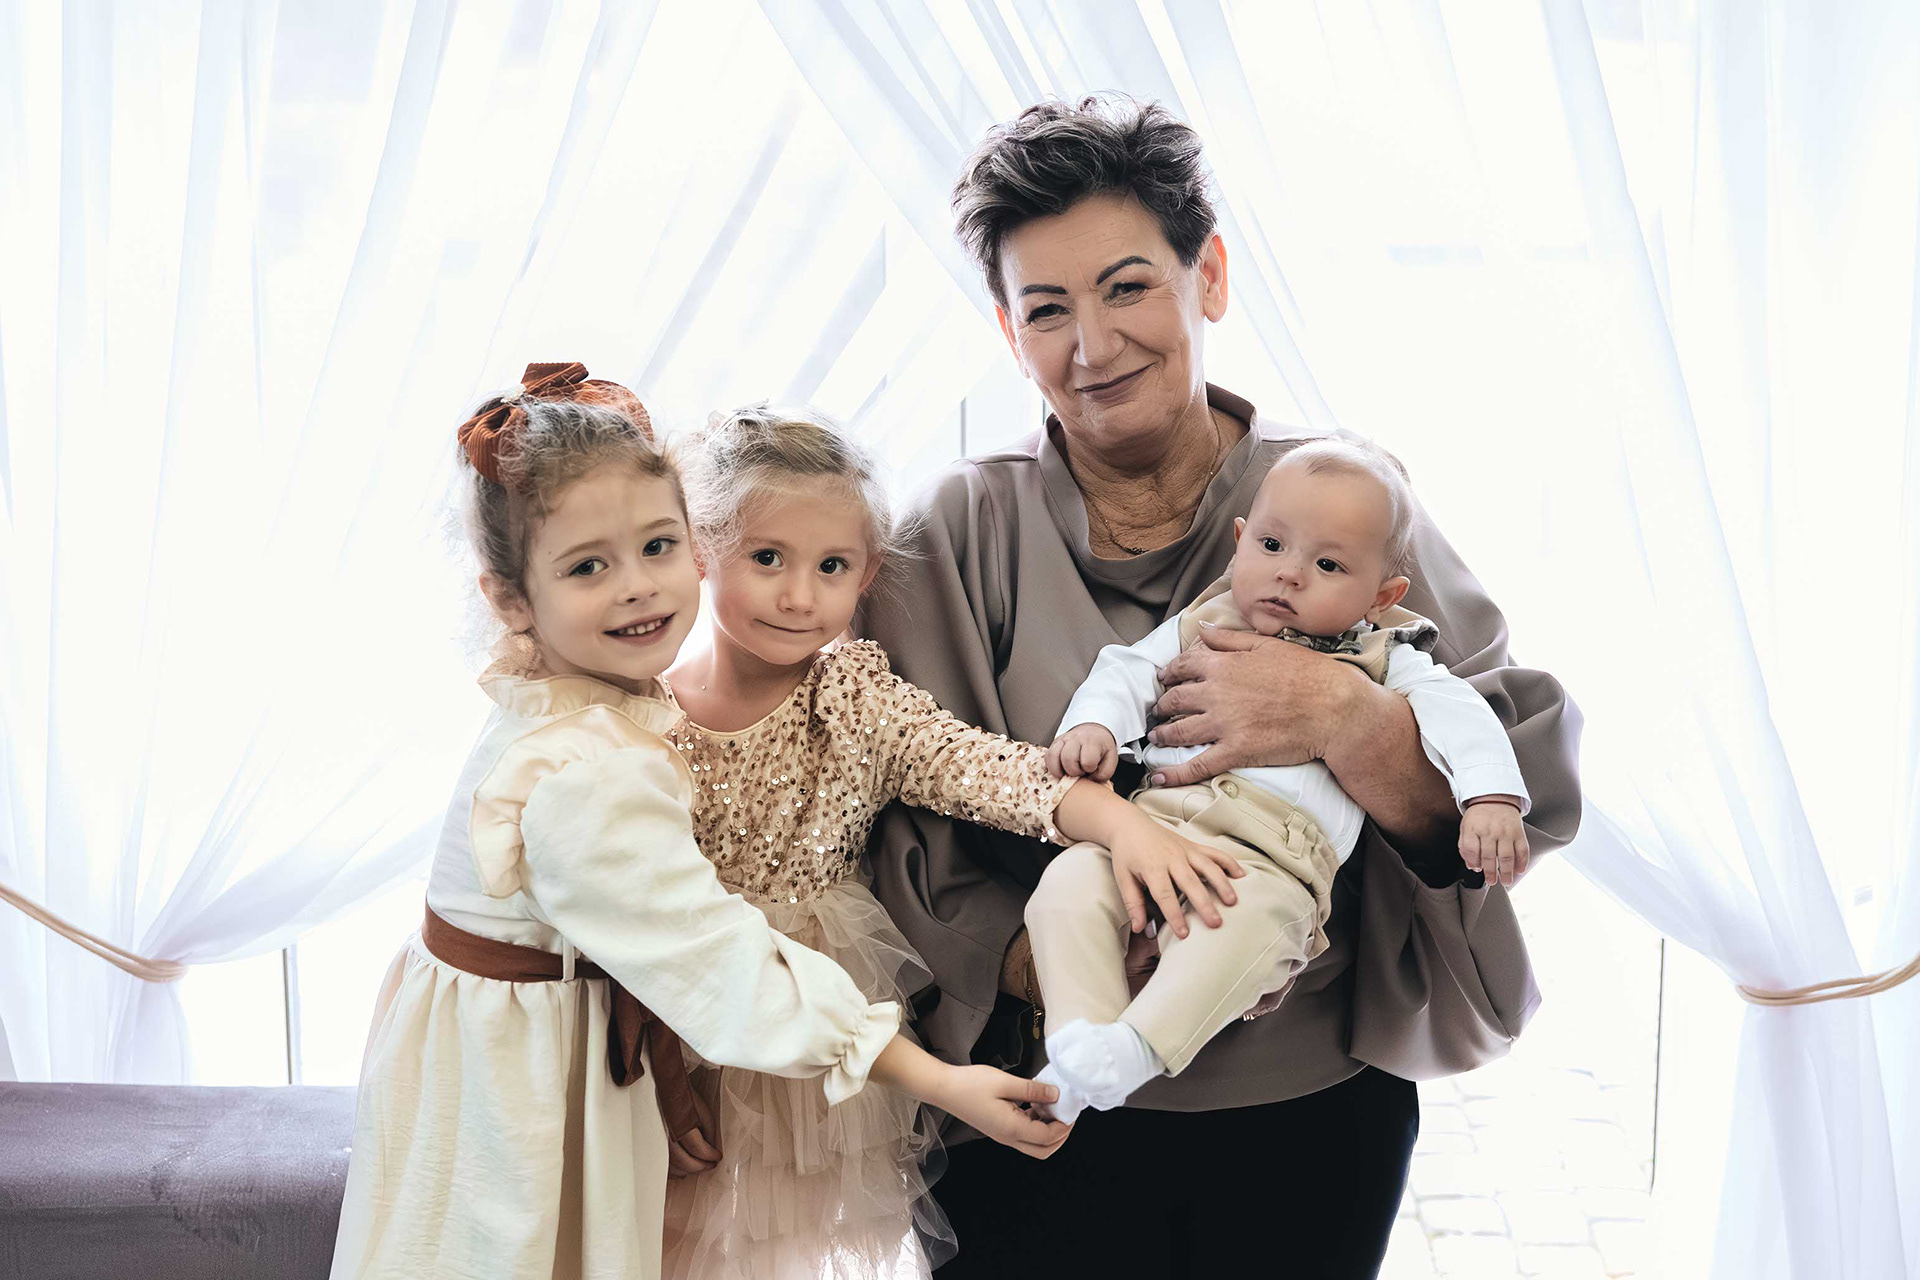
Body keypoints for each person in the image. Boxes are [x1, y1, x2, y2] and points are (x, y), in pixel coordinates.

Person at [855, 97, 1584, 1278]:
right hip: (1034, 1117)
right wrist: (1071, 955)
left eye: (1128, 287)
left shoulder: (1343, 500)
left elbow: (1517, 776)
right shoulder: (958, 528)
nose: (1093, 345)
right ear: (1008, 332)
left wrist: (1349, 719)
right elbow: (885, 829)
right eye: (1048, 309)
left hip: (1306, 1119)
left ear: (1211, 278)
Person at [328, 364, 1067, 1280]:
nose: (638, 588)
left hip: (546, 1032)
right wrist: (939, 1079)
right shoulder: (589, 771)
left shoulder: (573, 701)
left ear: (695, 542)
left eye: (657, 546)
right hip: (523, 1075)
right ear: (511, 600)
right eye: (588, 566)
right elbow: (718, 961)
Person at [660, 403, 1246, 1279]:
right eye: (767, 558)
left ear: (866, 576)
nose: (799, 595)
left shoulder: (855, 699)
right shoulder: (641, 716)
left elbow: (993, 773)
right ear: (700, 550)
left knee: (773, 1250)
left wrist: (1125, 824)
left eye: (831, 566)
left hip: (833, 1034)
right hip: (676, 1008)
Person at [1030, 438, 1533, 1123]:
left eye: (1328, 564)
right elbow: (1127, 670)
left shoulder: (1386, 656)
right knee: (1067, 887)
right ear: (1239, 542)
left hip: (1272, 863)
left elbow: (1463, 717)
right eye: (1271, 546)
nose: (1289, 574)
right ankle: (1077, 1044)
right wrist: (1094, 726)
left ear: (1382, 597)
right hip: (1155, 833)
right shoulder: (1203, 623)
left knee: (1237, 935)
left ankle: (1136, 1049)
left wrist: (1490, 797)